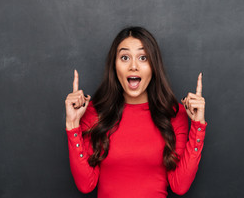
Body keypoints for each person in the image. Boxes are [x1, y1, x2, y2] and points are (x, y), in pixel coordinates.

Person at [64, 26, 207, 198]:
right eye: (125, 57)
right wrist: (72, 125)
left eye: (143, 57)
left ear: (154, 66)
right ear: (114, 66)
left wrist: (198, 127)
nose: (133, 66)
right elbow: (86, 185)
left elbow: (180, 186)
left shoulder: (175, 114)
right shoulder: (94, 112)